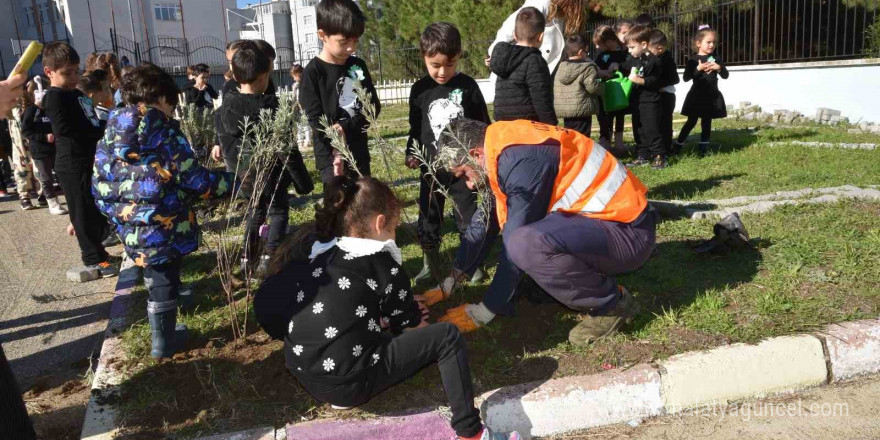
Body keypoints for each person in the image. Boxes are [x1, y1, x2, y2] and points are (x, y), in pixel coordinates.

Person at [254, 176, 520, 440]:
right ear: (381, 223)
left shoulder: (325, 251)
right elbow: (417, 328)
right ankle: (472, 433)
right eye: (394, 226)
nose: (395, 234)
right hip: (348, 382)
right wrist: (417, 327)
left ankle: (345, 385)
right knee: (447, 338)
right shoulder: (382, 262)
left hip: (305, 370)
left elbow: (343, 307)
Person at [423, 119, 654, 348]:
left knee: (526, 243)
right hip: (606, 224)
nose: (470, 185)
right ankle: (561, 283)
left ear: (475, 153)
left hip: (627, 234)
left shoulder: (520, 161)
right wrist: (451, 280)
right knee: (528, 244)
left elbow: (515, 244)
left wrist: (484, 311)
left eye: (464, 174)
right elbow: (485, 220)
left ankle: (611, 304)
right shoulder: (501, 146)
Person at [93, 63, 234, 358]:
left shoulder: (111, 129)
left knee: (156, 270)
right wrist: (232, 182)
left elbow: (98, 180)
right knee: (163, 278)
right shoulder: (162, 131)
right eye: (172, 104)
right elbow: (195, 178)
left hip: (128, 220)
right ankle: (164, 340)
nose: (173, 111)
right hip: (162, 220)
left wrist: (115, 214)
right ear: (161, 99)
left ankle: (167, 322)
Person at [404, 22, 491, 285]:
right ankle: (430, 262)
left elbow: (483, 124)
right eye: (436, 65)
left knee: (467, 214)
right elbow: (415, 128)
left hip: (463, 169)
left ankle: (469, 262)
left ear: (459, 56)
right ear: (424, 58)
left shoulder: (468, 87)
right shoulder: (419, 90)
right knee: (429, 216)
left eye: (450, 64)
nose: (443, 72)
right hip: (431, 168)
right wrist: (412, 152)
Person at [216, 45, 306, 275]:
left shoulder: (225, 110)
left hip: (244, 176)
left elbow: (226, 146)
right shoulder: (274, 109)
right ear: (266, 74)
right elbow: (288, 150)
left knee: (254, 212)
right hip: (272, 174)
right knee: (277, 211)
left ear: (235, 76)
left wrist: (237, 171)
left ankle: (248, 258)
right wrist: (302, 181)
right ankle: (271, 256)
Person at [41, 41, 117, 278]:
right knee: (81, 212)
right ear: (49, 72)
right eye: (67, 73)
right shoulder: (54, 98)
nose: (74, 78)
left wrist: (107, 126)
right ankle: (92, 258)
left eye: (76, 71)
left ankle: (100, 251)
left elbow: (91, 121)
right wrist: (97, 131)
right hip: (71, 164)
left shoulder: (76, 94)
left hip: (88, 158)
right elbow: (66, 130)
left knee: (92, 208)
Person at [300, 0, 381, 185]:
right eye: (344, 42)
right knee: (337, 206)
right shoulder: (313, 73)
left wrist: (345, 126)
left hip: (358, 152)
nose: (351, 48)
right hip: (330, 158)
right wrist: (335, 141)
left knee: (361, 203)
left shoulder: (357, 66)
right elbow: (314, 119)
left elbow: (373, 107)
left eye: (356, 41)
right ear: (323, 35)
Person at [489, 7, 557, 125]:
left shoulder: (504, 58)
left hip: (503, 125)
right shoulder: (535, 61)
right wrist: (551, 125)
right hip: (528, 126)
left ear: (514, 35)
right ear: (541, 37)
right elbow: (541, 99)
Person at [487, 0, 586, 74]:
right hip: (522, 72)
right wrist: (496, 54)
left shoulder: (561, 12)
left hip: (541, 69)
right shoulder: (542, 4)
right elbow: (510, 28)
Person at [674, 25, 728, 156]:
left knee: (707, 122)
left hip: (711, 96)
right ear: (698, 43)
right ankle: (678, 144)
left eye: (714, 42)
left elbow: (725, 75)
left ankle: (703, 147)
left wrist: (719, 68)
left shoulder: (716, 59)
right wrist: (698, 69)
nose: (711, 45)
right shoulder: (693, 60)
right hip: (697, 96)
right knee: (691, 121)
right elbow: (686, 78)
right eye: (708, 42)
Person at [22, 77, 67, 215]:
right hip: (40, 151)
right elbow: (26, 131)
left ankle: (66, 198)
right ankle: (52, 203)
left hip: (55, 148)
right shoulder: (31, 111)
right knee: (46, 178)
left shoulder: (50, 109)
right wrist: (43, 137)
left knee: (61, 174)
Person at [624, 25, 666, 169]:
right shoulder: (635, 58)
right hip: (636, 101)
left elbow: (657, 81)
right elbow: (625, 67)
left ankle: (659, 156)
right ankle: (642, 155)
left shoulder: (655, 61)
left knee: (652, 129)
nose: (629, 51)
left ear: (643, 44)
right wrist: (616, 66)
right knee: (639, 129)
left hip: (650, 101)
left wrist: (640, 81)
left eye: (631, 47)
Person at [553, 34, 603, 137]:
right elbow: (592, 87)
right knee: (583, 137)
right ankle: (581, 153)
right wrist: (602, 87)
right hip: (582, 109)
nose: (587, 54)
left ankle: (571, 152)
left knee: (570, 135)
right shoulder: (587, 68)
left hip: (566, 110)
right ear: (581, 52)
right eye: (586, 52)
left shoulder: (561, 67)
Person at [593, 25, 629, 153]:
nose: (598, 47)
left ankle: (619, 143)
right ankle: (605, 144)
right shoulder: (601, 55)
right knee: (605, 117)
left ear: (608, 42)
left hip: (619, 90)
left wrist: (620, 67)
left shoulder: (624, 52)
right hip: (605, 91)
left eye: (599, 44)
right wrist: (603, 72)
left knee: (620, 115)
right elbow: (595, 68)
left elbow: (629, 67)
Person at [648, 30, 679, 164]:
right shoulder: (655, 57)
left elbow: (675, 78)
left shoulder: (667, 59)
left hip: (666, 96)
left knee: (665, 123)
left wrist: (659, 85)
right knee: (657, 123)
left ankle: (666, 149)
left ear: (660, 48)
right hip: (657, 95)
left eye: (650, 50)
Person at [8, 86, 41, 210]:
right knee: (21, 169)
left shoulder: (32, 105)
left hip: (33, 140)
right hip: (18, 143)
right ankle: (24, 196)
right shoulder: (11, 107)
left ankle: (42, 194)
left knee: (39, 167)